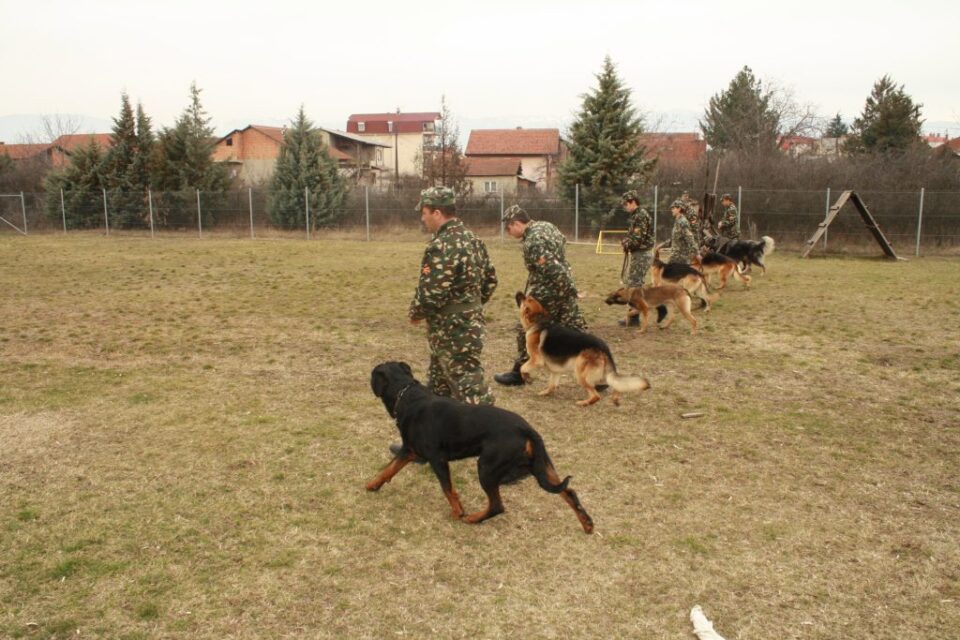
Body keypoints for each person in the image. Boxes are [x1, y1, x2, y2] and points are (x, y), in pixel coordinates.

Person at [409, 186, 498, 405]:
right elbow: (491, 281)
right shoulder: (473, 239)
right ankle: (433, 436)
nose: (423, 218)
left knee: (470, 387)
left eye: (425, 212)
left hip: (452, 330)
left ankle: (492, 435)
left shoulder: (442, 245)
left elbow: (431, 294)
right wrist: (470, 306)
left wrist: (416, 312)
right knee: (439, 387)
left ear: (437, 213)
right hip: (466, 324)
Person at [494, 204, 588, 386]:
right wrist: (570, 290)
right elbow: (561, 245)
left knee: (526, 329)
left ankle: (518, 373)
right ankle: (597, 373)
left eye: (508, 228)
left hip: (548, 291)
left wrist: (570, 290)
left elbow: (552, 268)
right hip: (564, 288)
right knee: (576, 331)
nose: (508, 232)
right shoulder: (547, 226)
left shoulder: (533, 241)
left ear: (516, 223)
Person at [618, 190, 655, 327]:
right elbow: (633, 236)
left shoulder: (640, 216)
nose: (625, 207)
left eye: (626, 204)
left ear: (633, 202)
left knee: (634, 286)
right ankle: (634, 315)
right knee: (634, 284)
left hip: (642, 254)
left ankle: (634, 318)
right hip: (640, 254)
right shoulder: (637, 215)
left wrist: (626, 243)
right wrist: (626, 241)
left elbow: (638, 239)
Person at [657, 199, 699, 265]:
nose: (671, 210)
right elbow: (675, 238)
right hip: (675, 256)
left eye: (673, 208)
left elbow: (690, 238)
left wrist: (697, 254)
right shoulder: (677, 221)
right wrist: (662, 245)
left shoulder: (682, 222)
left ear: (679, 208)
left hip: (681, 257)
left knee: (668, 273)